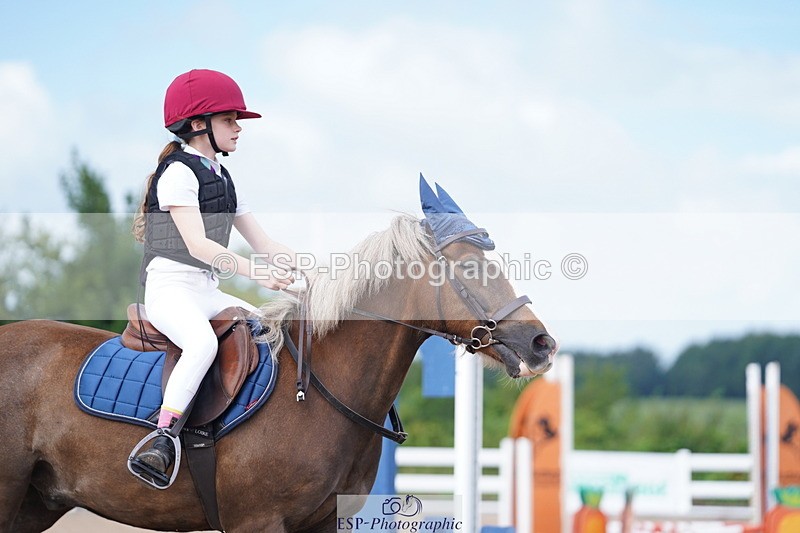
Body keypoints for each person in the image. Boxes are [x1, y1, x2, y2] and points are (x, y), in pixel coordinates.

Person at [130, 69, 297, 478]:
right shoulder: (178, 173)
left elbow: (264, 243)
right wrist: (259, 275)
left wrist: (310, 272)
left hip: (206, 290)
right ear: (198, 125)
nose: (238, 128)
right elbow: (199, 246)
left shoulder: (223, 178)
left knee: (269, 330)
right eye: (229, 120)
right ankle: (162, 437)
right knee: (202, 343)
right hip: (170, 289)